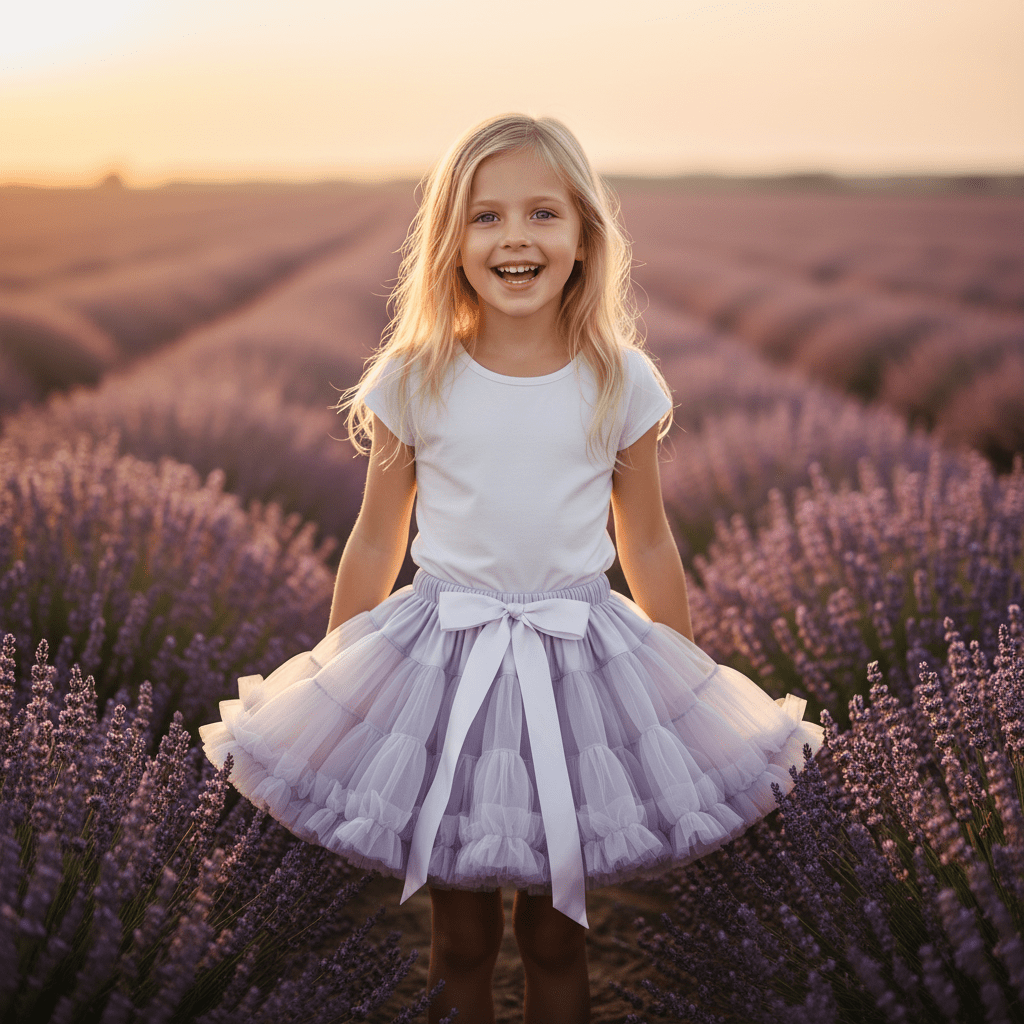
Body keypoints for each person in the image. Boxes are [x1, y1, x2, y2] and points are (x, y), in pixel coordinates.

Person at [199, 113, 824, 1024]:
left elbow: (645, 539)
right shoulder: (415, 378)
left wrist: (681, 690)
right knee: (458, 937)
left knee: (558, 935)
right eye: (486, 217)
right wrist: (339, 682)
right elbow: (377, 538)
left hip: (579, 655)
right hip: (441, 658)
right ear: (451, 242)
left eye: (542, 214)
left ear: (583, 238)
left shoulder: (621, 381)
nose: (515, 237)